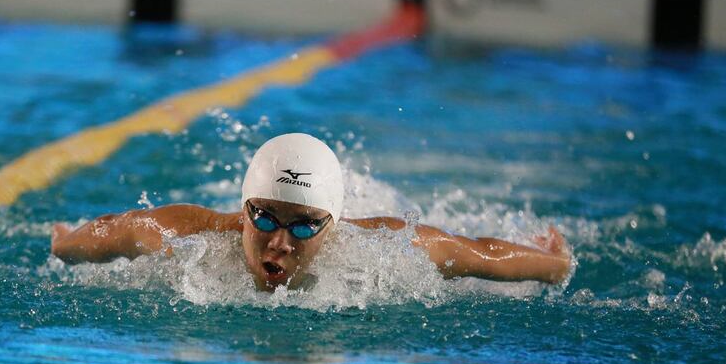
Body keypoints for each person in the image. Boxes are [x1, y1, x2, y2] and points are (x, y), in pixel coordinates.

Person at [51, 133, 571, 291]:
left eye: (303, 226)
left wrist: (553, 265)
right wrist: (62, 243)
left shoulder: (381, 249)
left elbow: (478, 253)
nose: (279, 241)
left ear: (332, 224)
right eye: (263, 218)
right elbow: (112, 232)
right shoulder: (191, 238)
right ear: (243, 207)